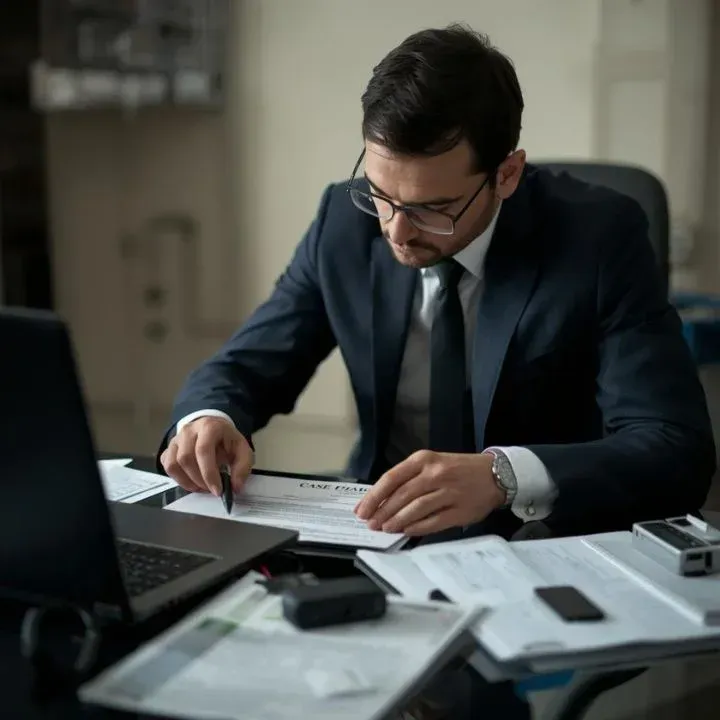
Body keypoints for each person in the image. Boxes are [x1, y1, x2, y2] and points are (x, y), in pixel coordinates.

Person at [159, 24, 715, 719]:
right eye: (382, 194)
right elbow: (248, 363)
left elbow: (675, 448)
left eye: (430, 207)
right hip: (372, 544)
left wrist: (502, 475)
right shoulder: (343, 218)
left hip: (533, 557)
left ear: (507, 174)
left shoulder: (599, 238)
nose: (396, 229)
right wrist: (209, 417)